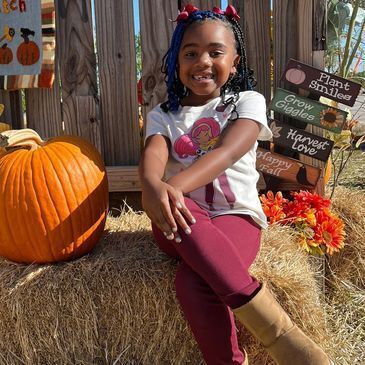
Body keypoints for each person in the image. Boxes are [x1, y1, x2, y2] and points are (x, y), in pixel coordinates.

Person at [139, 4, 332, 365]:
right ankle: (279, 334)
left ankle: (241, 355)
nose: (202, 62)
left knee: (193, 284)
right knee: (185, 211)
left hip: (236, 217)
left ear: (236, 61)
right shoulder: (162, 115)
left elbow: (228, 152)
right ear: (176, 61)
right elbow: (153, 156)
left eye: (216, 52)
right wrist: (151, 185)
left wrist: (173, 184)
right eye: (191, 53)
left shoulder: (247, 102)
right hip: (175, 217)